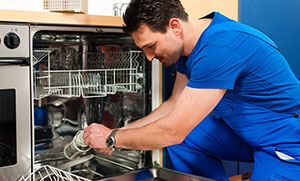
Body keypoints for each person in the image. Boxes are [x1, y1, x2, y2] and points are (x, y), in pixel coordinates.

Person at [83, 0, 300, 180]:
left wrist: (113, 139)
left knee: (177, 135)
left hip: (286, 141)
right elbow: (174, 105)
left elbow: (173, 131)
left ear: (175, 26)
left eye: (151, 46)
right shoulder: (190, 49)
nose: (149, 57)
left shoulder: (219, 47)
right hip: (247, 131)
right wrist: (115, 133)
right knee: (187, 139)